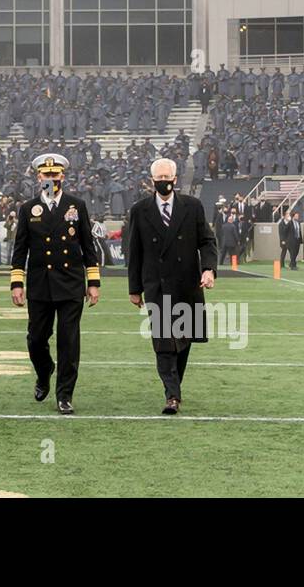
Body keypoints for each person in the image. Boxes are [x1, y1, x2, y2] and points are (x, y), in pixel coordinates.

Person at [10, 153, 101, 415]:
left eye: (55, 175)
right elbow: (20, 250)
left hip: (71, 283)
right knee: (36, 339)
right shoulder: (29, 209)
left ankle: (64, 395)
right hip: (40, 284)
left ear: (63, 176)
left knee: (68, 341)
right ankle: (44, 370)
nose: (51, 179)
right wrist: (17, 283)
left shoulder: (77, 205)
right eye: (46, 175)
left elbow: (87, 246)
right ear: (39, 177)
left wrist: (92, 282)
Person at [125, 158, 218, 415]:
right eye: (159, 178)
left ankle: (174, 386)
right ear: (152, 180)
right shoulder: (140, 210)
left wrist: (208, 269)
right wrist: (134, 288)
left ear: (175, 180)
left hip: (187, 284)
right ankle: (172, 396)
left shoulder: (193, 207)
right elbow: (134, 251)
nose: (163, 182)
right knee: (164, 341)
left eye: (168, 177)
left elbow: (207, 241)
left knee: (184, 340)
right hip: (157, 286)